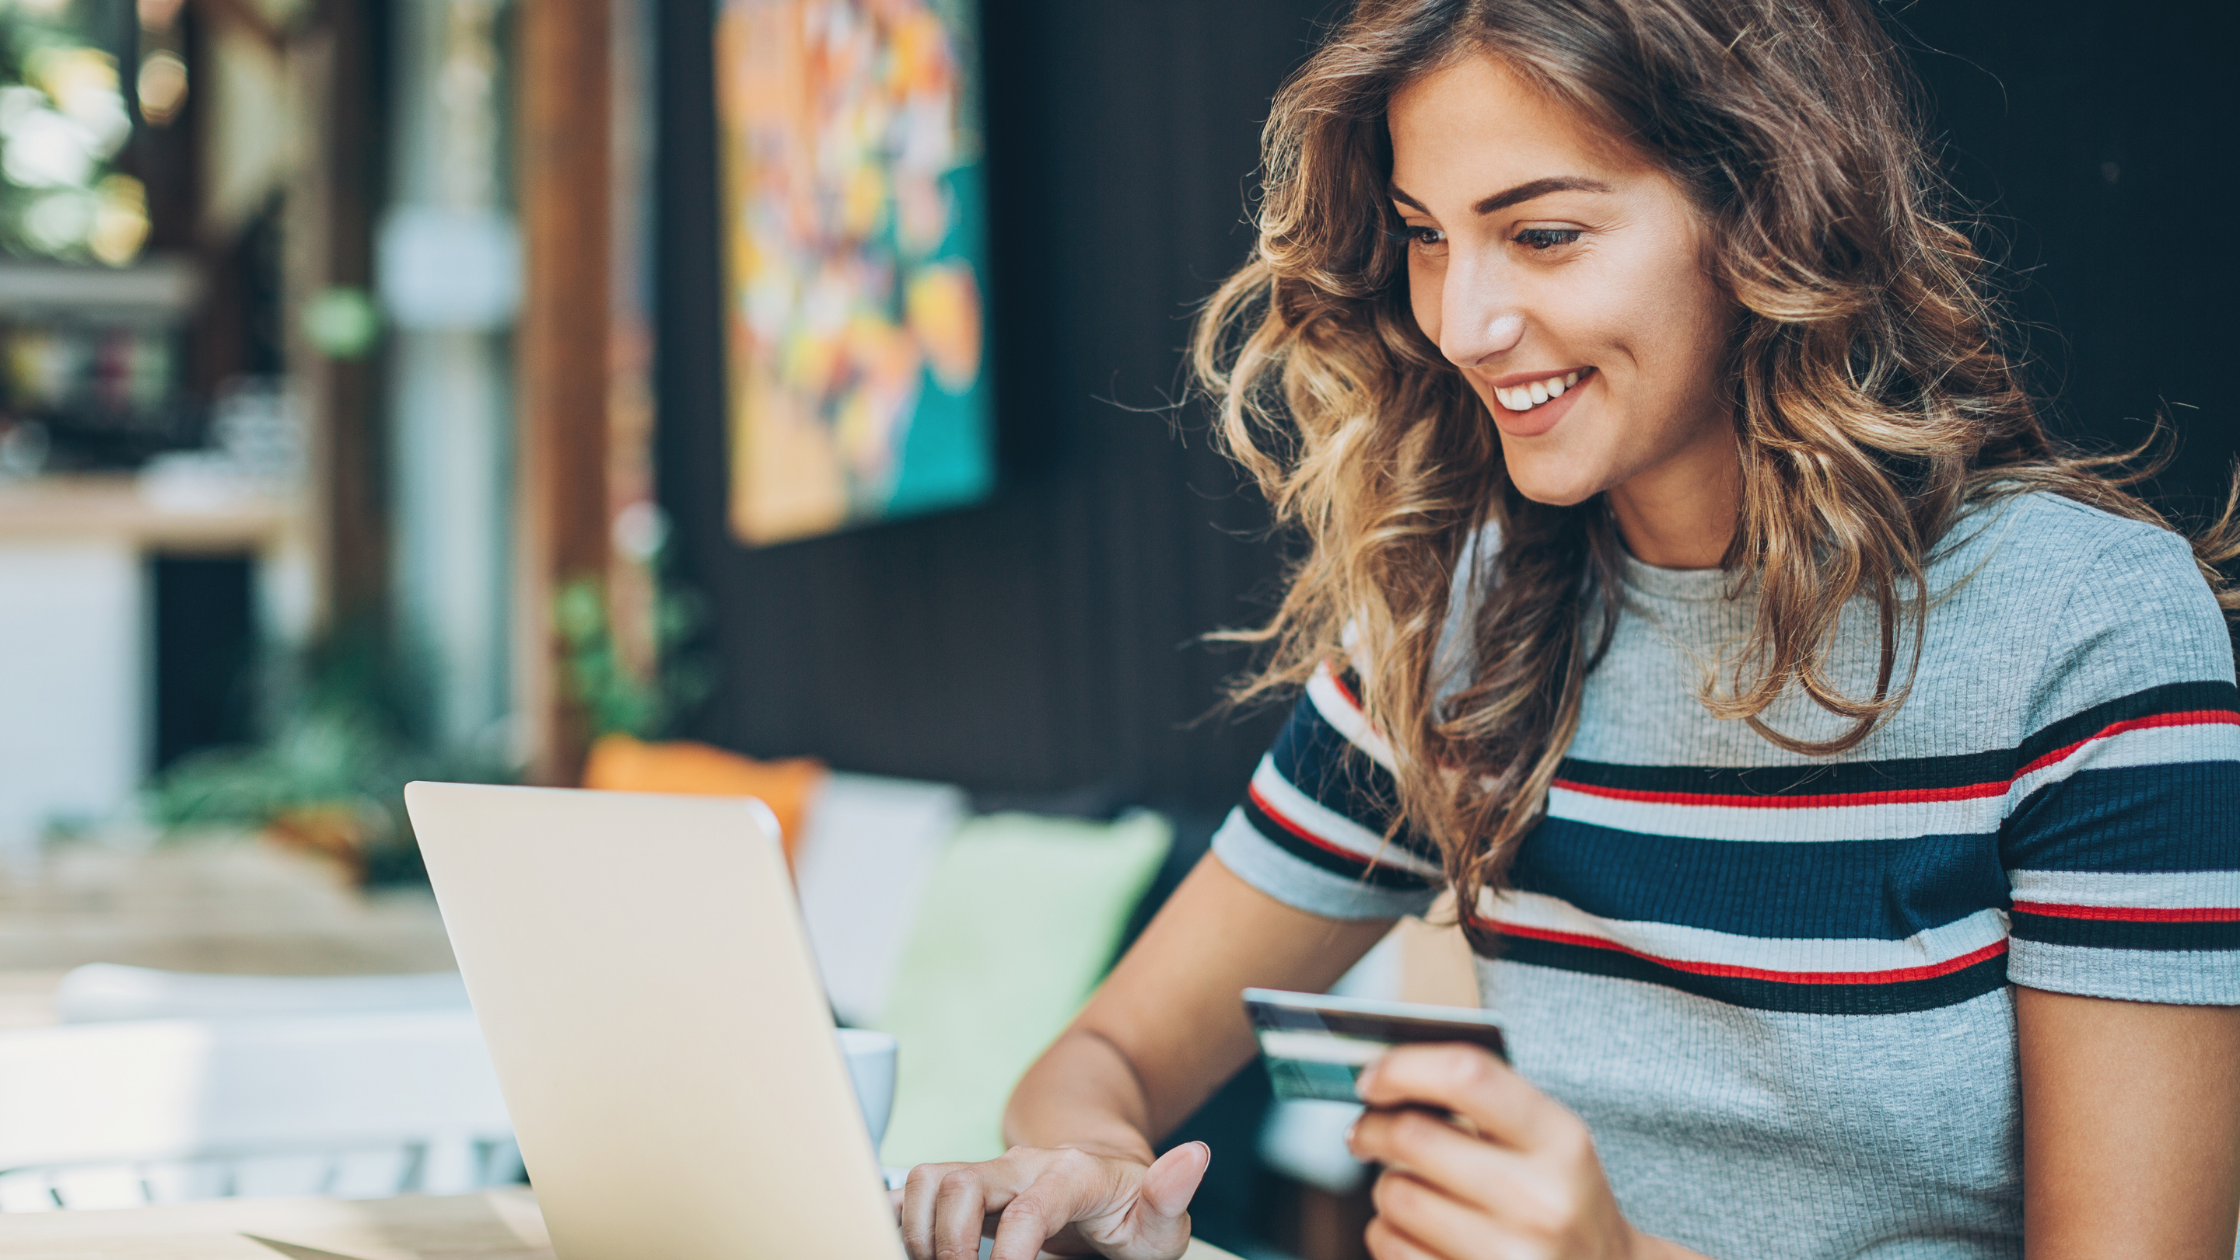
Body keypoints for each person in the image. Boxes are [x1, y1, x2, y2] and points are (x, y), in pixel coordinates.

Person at [894, 0, 2240, 1255]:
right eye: (1428, 235)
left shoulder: (2084, 632)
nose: (1464, 324)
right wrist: (1093, 1174)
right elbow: (1099, 1063)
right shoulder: (1457, 632)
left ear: (1764, 213)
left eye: (1542, 234)